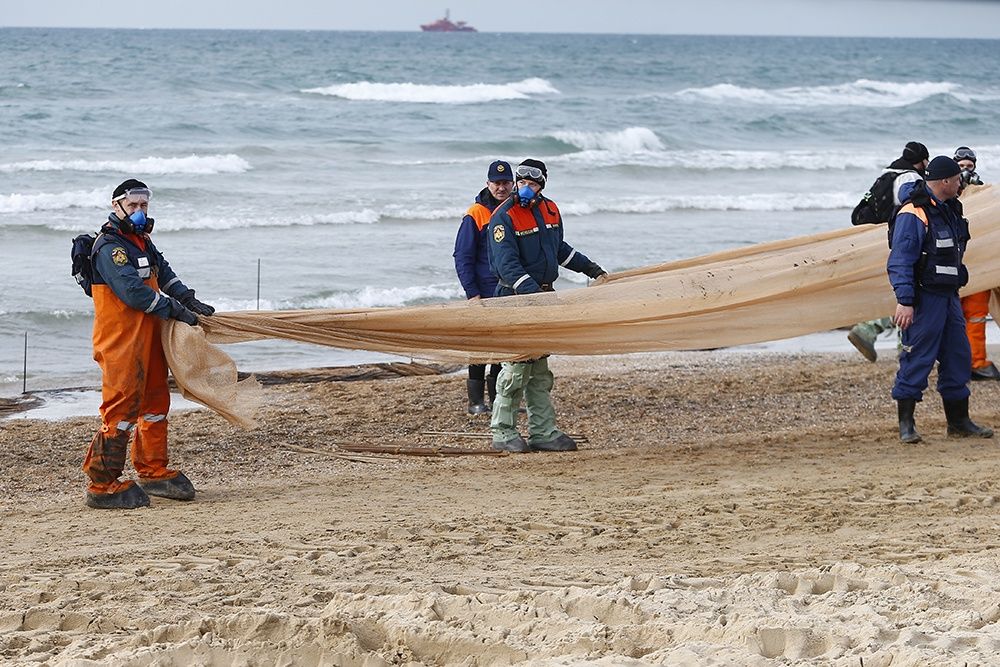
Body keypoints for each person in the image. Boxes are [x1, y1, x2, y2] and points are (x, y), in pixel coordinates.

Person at [83, 178, 216, 509]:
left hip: (149, 338)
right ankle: (101, 484)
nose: (140, 211)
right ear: (116, 206)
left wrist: (189, 299)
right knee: (122, 409)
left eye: (144, 205)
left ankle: (153, 470)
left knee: (156, 404)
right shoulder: (109, 248)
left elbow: (164, 274)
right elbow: (134, 292)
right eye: (133, 205)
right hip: (121, 342)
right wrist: (176, 309)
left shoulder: (141, 241)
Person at [486, 159, 607, 453]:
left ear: (542, 184)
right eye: (522, 182)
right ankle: (503, 432)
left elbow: (559, 250)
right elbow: (507, 266)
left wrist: (592, 269)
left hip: (544, 296)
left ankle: (543, 431)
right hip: (514, 299)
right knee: (515, 369)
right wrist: (532, 294)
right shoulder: (503, 216)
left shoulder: (550, 209)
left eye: (533, 182)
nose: (526, 187)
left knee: (539, 372)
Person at [887, 157, 993, 444]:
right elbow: (900, 261)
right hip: (923, 300)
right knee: (917, 358)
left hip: (948, 297)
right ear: (945, 181)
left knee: (958, 357)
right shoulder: (913, 213)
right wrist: (905, 300)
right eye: (957, 179)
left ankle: (958, 422)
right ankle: (906, 426)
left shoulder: (949, 210)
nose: (962, 183)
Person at [848, 141, 930, 362]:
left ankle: (870, 331)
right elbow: (916, 209)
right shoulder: (911, 177)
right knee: (909, 293)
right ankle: (901, 346)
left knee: (898, 291)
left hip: (881, 243)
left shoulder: (886, 175)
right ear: (921, 160)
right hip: (904, 243)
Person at [453, 160, 512, 414]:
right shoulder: (475, 213)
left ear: (512, 184)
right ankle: (476, 403)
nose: (501, 187)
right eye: (496, 183)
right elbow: (462, 256)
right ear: (487, 184)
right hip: (483, 292)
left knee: (501, 348)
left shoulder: (514, 210)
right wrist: (472, 293)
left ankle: (497, 399)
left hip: (508, 291)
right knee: (479, 348)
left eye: (506, 182)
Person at [953, 147, 998, 381]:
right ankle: (955, 362)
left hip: (977, 268)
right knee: (950, 317)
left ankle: (977, 362)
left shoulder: (984, 196)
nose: (966, 172)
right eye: (961, 167)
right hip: (951, 268)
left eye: (969, 167)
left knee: (976, 315)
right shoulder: (943, 194)